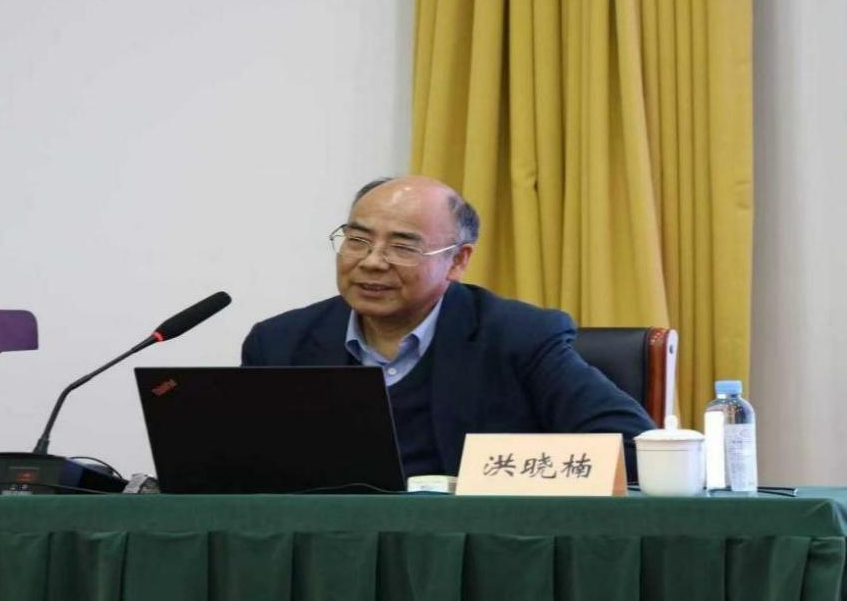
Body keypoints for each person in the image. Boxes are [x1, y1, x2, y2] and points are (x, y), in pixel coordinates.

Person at [241, 176, 654, 481]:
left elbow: (633, 448)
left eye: (402, 247)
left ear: (457, 261)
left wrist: (492, 474)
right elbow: (243, 468)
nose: (372, 261)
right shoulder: (280, 343)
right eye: (358, 241)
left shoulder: (518, 337)